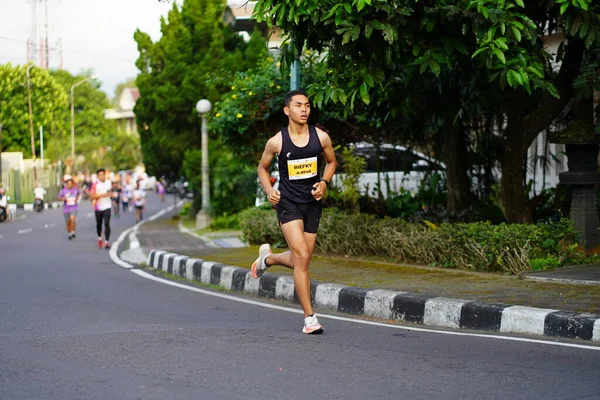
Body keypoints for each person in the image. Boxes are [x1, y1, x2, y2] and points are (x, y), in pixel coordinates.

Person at [252, 90, 337, 334]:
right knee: (301, 256)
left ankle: (268, 259)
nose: (304, 109)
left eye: (307, 105)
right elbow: (262, 167)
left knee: (303, 258)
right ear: (287, 110)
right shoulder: (277, 141)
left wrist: (324, 183)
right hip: (287, 203)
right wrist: (270, 190)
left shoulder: (320, 137)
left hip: (311, 204)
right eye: (298, 105)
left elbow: (331, 162)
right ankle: (310, 318)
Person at [90, 168, 113, 249]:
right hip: (98, 207)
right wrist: (102, 195)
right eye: (100, 175)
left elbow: (111, 193)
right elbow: (92, 196)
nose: (102, 177)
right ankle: (100, 237)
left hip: (107, 206)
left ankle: (107, 241)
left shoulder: (109, 182)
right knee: (99, 225)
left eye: (103, 175)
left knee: (107, 223)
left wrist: (110, 194)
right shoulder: (95, 184)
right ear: (98, 176)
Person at [57, 175, 81, 240]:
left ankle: (73, 232)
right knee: (68, 222)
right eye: (68, 184)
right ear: (66, 184)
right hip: (66, 208)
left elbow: (79, 195)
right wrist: (63, 198)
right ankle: (69, 233)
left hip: (74, 207)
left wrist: (77, 198)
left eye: (71, 183)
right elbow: (58, 198)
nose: (70, 185)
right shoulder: (63, 191)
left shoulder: (75, 190)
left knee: (72, 219)